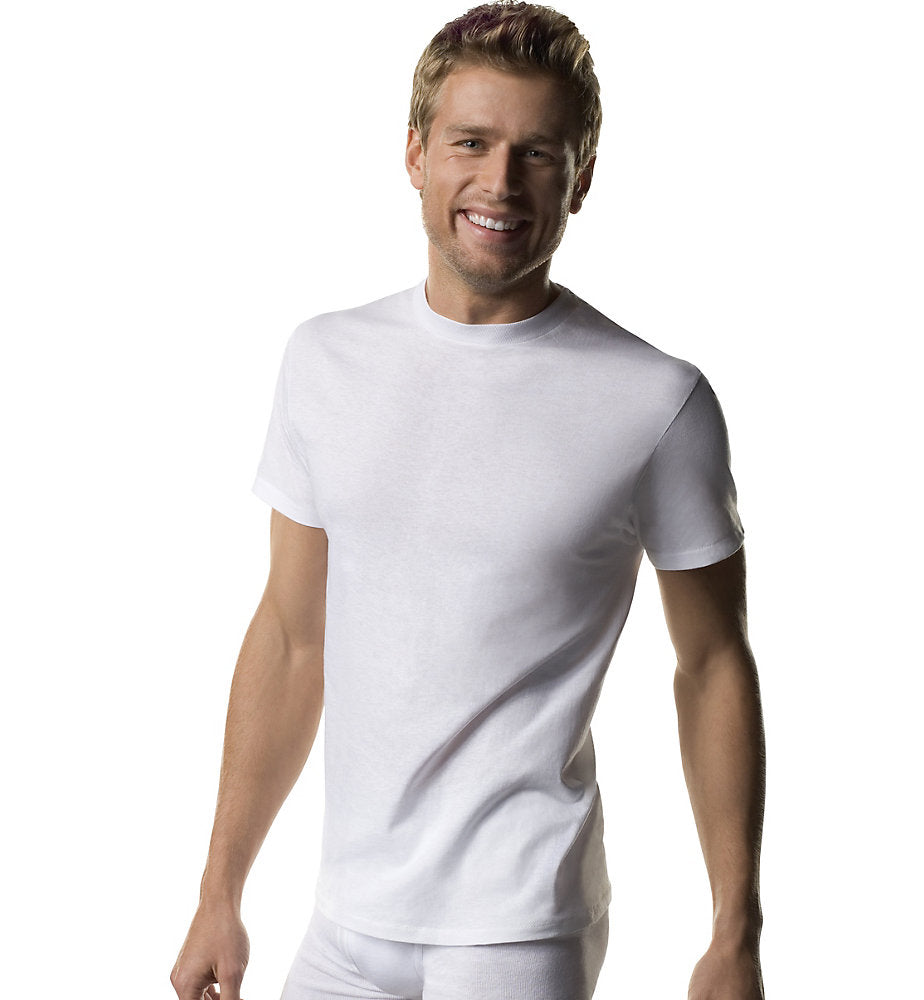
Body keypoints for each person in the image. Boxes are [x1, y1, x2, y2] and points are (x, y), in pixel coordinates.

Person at [170, 3, 766, 999]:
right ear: (415, 153)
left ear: (581, 178)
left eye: (538, 154)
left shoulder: (656, 401)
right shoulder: (324, 361)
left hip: (518, 927)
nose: (500, 182)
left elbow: (712, 665)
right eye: (472, 143)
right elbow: (289, 635)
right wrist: (219, 891)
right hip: (343, 919)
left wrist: (733, 934)